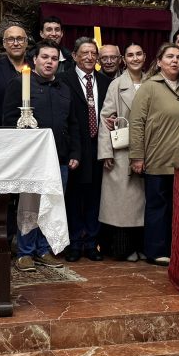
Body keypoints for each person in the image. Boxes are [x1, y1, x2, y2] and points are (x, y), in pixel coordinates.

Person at [2, 43, 80, 271]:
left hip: (60, 156)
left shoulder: (63, 87)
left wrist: (75, 152)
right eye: (44, 57)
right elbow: (8, 121)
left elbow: (73, 123)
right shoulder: (20, 84)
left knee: (53, 204)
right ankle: (25, 252)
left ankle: (44, 249)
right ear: (34, 60)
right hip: (32, 159)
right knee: (30, 205)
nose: (49, 62)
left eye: (54, 58)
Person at [129, 44, 179, 265]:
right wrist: (137, 156)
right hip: (158, 157)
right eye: (169, 57)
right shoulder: (149, 87)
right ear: (159, 62)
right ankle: (156, 250)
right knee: (158, 206)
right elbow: (136, 123)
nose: (175, 61)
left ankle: (177, 249)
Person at [60, 37, 112, 261]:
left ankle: (91, 243)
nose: (90, 57)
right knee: (73, 198)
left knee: (95, 197)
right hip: (75, 147)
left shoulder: (105, 82)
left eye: (93, 53)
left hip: (97, 147)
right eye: (85, 53)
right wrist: (73, 149)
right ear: (74, 56)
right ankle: (73, 243)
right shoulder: (64, 80)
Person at [98, 42, 147, 261]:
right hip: (122, 153)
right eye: (130, 55)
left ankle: (144, 246)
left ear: (145, 57)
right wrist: (106, 151)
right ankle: (123, 249)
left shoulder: (153, 83)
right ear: (123, 60)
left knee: (145, 204)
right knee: (123, 206)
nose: (135, 58)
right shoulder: (116, 85)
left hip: (150, 150)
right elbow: (105, 118)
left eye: (139, 54)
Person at [0, 22, 32, 125]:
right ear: (4, 44)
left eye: (20, 39)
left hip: (32, 129)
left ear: (26, 43)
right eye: (10, 39)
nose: (15, 43)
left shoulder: (35, 68)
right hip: (1, 130)